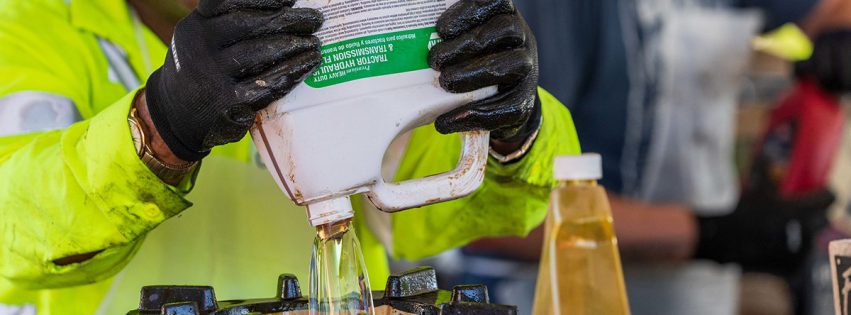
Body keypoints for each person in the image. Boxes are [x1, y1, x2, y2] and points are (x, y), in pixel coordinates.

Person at [0, 0, 580, 314]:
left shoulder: (344, 17)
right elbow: (10, 228)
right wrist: (160, 124)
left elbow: (444, 208)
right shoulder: (28, 26)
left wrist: (513, 126)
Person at [458, 0, 851, 314]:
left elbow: (830, 9)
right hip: (546, 289)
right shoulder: (542, 11)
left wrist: (840, 38)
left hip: (696, 287)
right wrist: (706, 233)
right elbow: (487, 217)